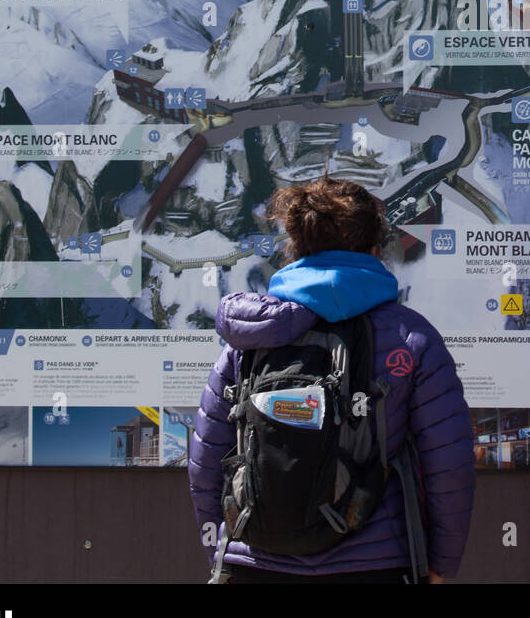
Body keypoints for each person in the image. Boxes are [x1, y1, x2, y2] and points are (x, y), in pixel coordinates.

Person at [188, 176, 476, 583]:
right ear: (376, 250)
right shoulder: (411, 338)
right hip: (375, 562)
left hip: (257, 559)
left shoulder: (251, 339)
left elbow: (206, 462)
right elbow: (449, 467)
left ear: (297, 248)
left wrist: (221, 545)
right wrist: (440, 565)